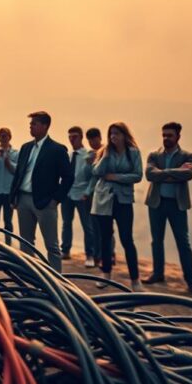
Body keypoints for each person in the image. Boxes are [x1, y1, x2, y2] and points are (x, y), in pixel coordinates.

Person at [143, 122, 192, 295]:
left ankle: (191, 282)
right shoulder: (154, 155)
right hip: (157, 202)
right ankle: (158, 273)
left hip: (177, 204)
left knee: (183, 243)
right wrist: (175, 174)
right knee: (156, 240)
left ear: (178, 136)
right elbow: (149, 175)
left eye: (169, 135)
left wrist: (162, 173)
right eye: (164, 135)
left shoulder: (188, 156)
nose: (166, 138)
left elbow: (188, 174)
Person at [10, 111, 73, 272]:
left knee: (51, 245)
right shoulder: (25, 147)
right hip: (23, 199)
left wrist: (55, 200)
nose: (30, 126)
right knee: (26, 243)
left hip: (45, 203)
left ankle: (57, 283)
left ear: (45, 126)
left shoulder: (57, 150)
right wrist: (13, 197)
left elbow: (68, 177)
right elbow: (18, 174)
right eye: (30, 123)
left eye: (34, 123)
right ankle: (30, 279)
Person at [91, 122, 144, 291]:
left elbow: (137, 176)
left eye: (117, 133)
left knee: (127, 239)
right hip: (103, 200)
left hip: (123, 200)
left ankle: (135, 279)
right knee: (105, 238)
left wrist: (115, 177)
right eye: (111, 134)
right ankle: (105, 273)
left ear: (124, 135)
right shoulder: (105, 152)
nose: (113, 137)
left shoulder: (133, 153)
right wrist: (105, 155)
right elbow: (97, 172)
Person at [61, 126, 96, 265]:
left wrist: (87, 193)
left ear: (81, 137)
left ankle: (90, 255)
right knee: (66, 223)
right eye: (70, 136)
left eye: (74, 136)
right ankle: (65, 250)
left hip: (82, 195)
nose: (72, 139)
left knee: (87, 225)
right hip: (68, 194)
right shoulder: (69, 155)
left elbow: (92, 176)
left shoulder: (88, 155)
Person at [85, 127, 114, 266]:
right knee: (95, 227)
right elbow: (90, 175)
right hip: (93, 194)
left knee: (106, 227)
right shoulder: (90, 154)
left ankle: (109, 254)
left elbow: (99, 173)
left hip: (106, 193)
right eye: (89, 139)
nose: (91, 142)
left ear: (100, 138)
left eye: (93, 139)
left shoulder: (106, 152)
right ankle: (98, 255)